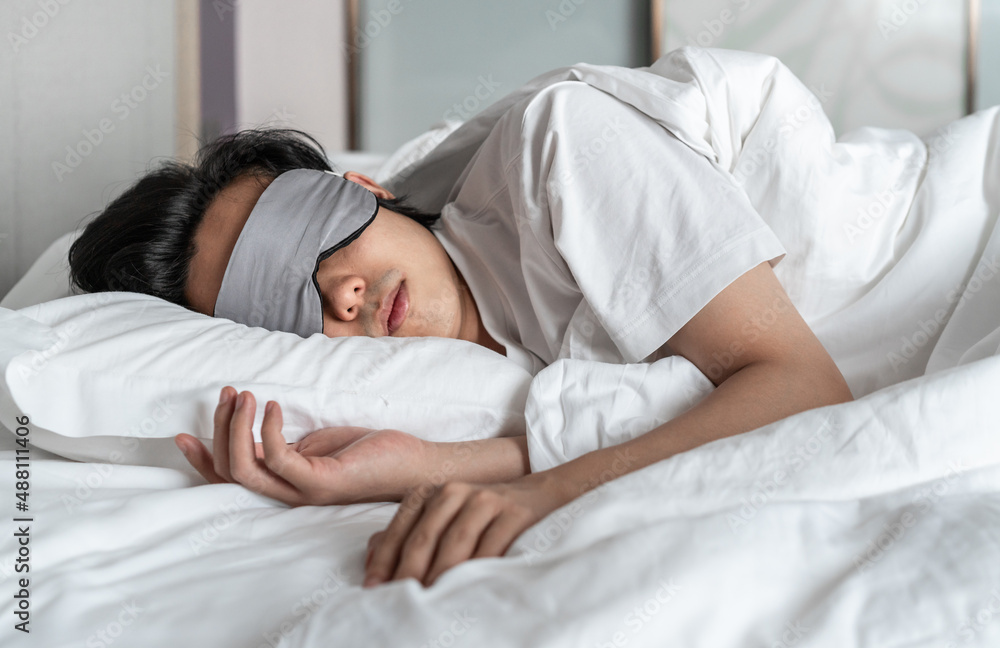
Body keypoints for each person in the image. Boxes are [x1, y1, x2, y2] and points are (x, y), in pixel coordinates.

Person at [68, 78, 853, 590]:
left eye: (321, 238)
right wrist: (434, 464)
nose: (342, 290)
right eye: (283, 302)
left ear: (366, 189)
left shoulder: (564, 146)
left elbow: (803, 387)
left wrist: (542, 492)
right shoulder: (427, 389)